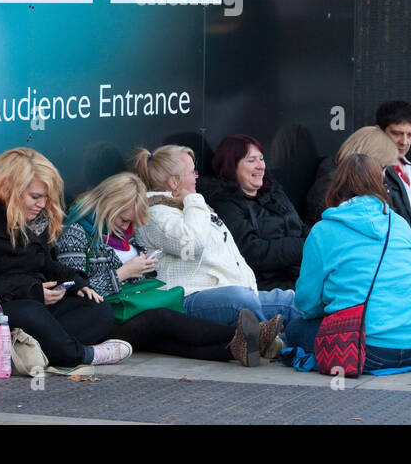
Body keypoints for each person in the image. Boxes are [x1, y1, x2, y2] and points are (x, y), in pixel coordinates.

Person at [0, 148, 131, 373]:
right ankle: (80, 354)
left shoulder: (35, 221)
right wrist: (31, 291)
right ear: (9, 190)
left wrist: (74, 281)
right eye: (35, 197)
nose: (42, 204)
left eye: (46, 197)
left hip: (31, 302)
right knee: (30, 313)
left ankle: (34, 347)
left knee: (98, 309)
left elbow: (44, 263)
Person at [56, 172, 280, 366]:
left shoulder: (123, 233)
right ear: (108, 206)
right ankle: (251, 335)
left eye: (130, 223)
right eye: (123, 220)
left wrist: (147, 265)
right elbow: (72, 291)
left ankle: (237, 347)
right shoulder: (76, 232)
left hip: (132, 308)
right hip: (105, 319)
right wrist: (123, 273)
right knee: (163, 319)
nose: (126, 228)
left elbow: (138, 278)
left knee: (169, 342)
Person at [127, 145, 301, 340]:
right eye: (192, 171)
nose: (196, 177)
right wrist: (193, 200)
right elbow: (192, 244)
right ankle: (267, 342)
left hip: (230, 293)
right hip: (187, 298)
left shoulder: (191, 206)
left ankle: (297, 344)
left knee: (293, 301)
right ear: (174, 182)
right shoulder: (155, 214)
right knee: (240, 301)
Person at [284, 154, 411, 372]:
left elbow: (307, 304)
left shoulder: (322, 231)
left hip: (365, 349)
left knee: (295, 330)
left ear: (336, 185)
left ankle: (274, 342)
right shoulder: (401, 225)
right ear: (380, 183)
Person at [202, 134, 307, 291]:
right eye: (251, 160)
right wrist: (303, 246)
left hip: (302, 275)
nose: (261, 166)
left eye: (262, 158)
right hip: (265, 286)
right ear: (232, 166)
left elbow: (301, 227)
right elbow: (252, 253)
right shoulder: (226, 204)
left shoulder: (274, 192)